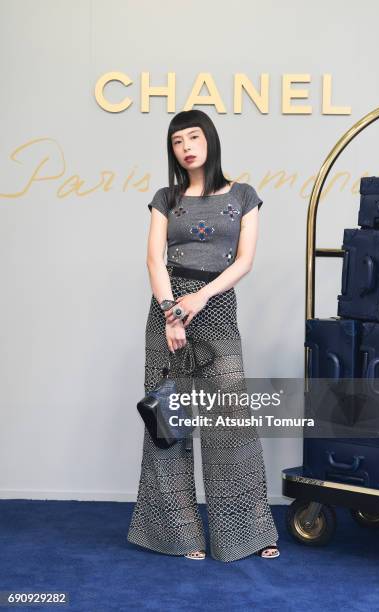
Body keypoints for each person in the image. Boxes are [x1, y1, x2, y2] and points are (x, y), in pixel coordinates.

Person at [127, 109, 279, 562]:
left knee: (229, 423)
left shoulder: (244, 195)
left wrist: (200, 299)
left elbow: (243, 262)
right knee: (167, 423)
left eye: (194, 137)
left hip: (215, 308)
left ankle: (246, 533)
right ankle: (179, 536)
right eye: (177, 141)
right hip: (167, 312)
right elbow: (155, 260)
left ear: (209, 140)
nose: (187, 146)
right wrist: (173, 313)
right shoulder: (165, 197)